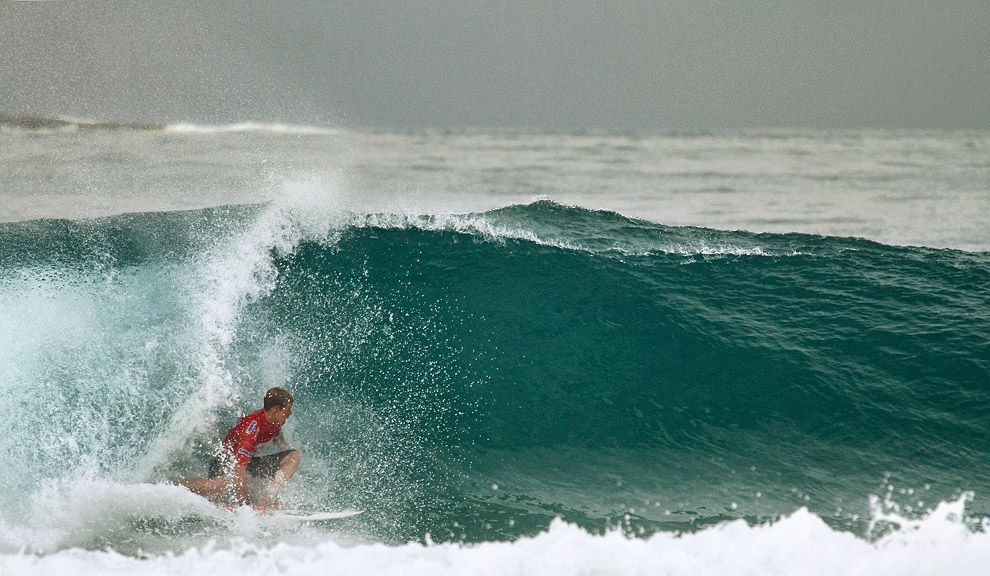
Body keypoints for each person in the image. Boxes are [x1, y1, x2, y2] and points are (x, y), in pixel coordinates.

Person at [177, 386, 300, 509]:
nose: (290, 413)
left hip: (248, 462)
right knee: (216, 487)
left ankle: (266, 498)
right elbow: (239, 467)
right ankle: (175, 486)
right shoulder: (252, 428)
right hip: (225, 461)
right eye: (288, 410)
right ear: (275, 409)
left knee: (293, 457)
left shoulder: (276, 421)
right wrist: (244, 503)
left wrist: (287, 447)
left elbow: (277, 436)